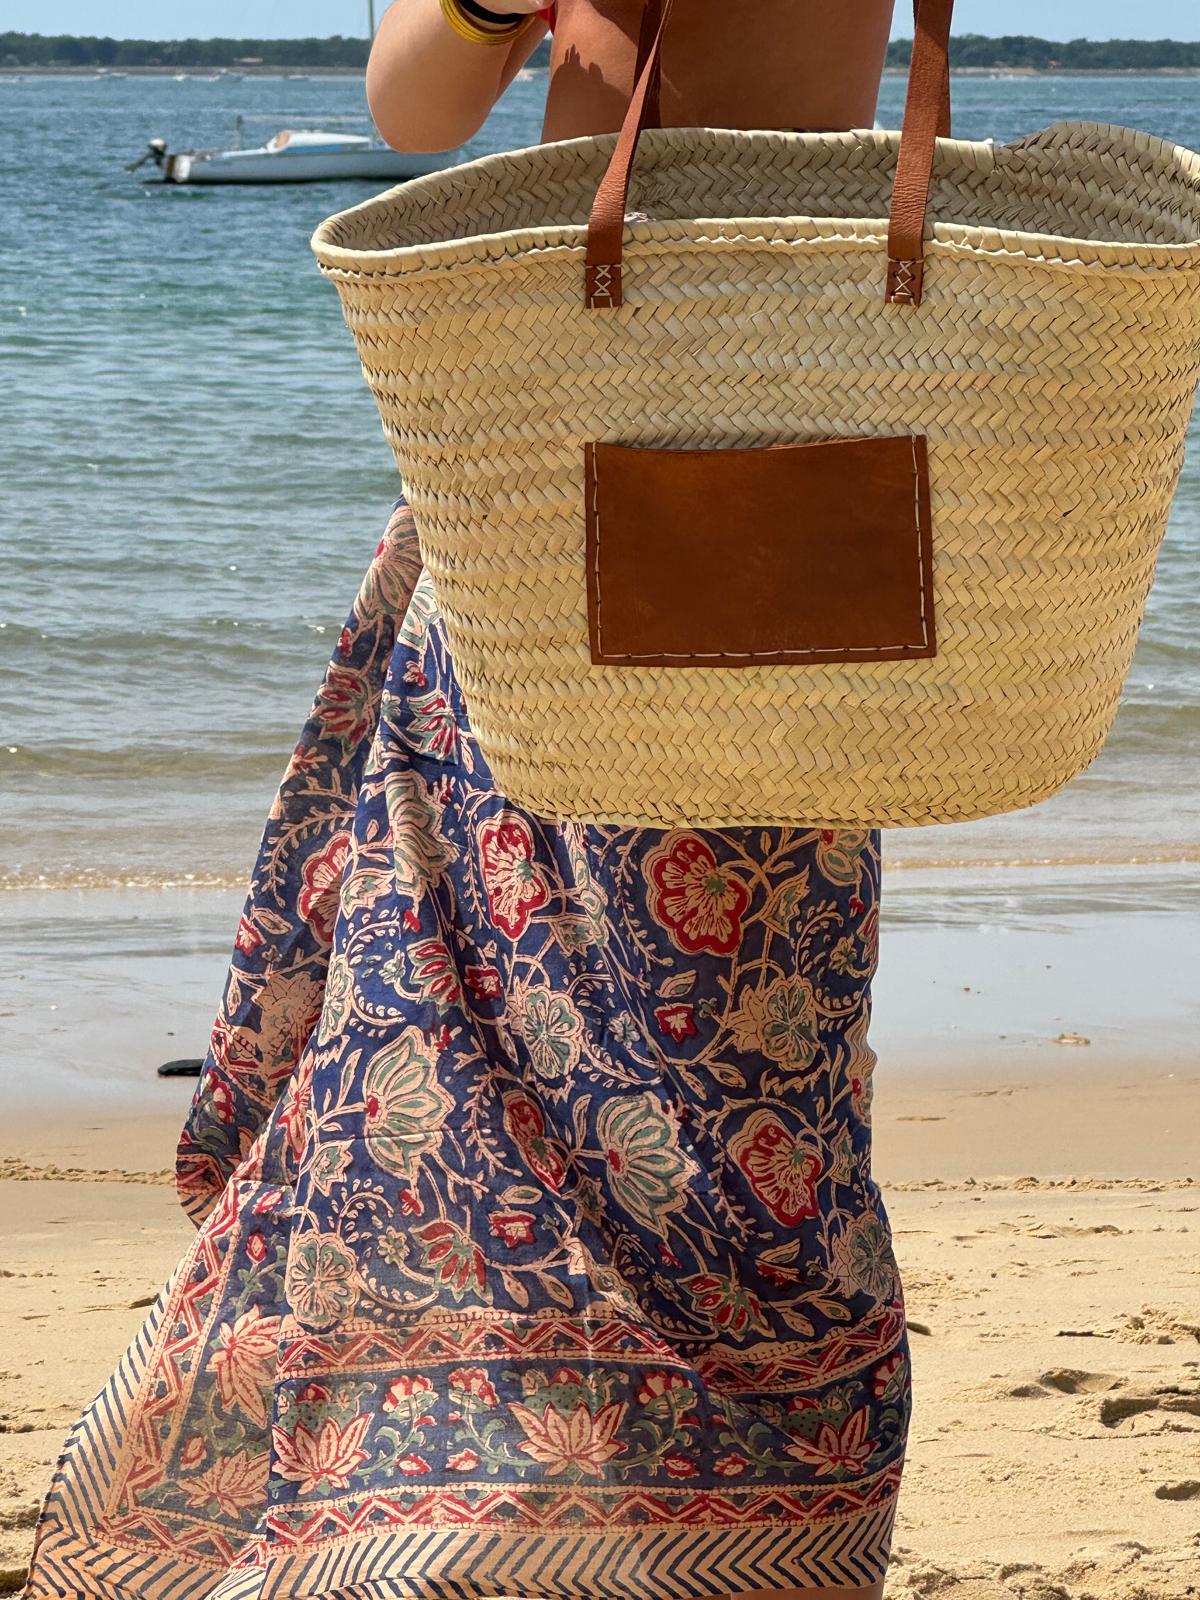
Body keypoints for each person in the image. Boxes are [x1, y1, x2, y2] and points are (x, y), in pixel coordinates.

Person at [22, 4, 907, 1599]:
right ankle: (502, 1521)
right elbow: (415, 110)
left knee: (720, 1090)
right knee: (543, 1055)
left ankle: (647, 1521)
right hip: (567, 470)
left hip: (740, 480)